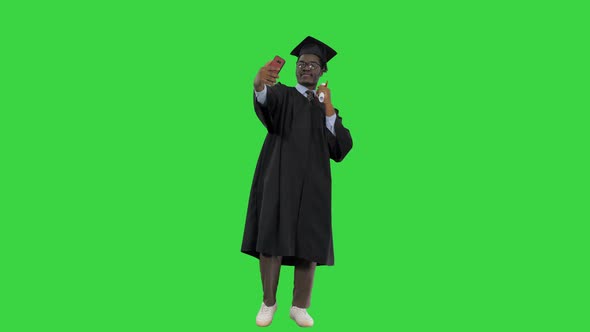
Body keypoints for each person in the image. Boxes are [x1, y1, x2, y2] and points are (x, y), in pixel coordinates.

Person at [241, 36, 353, 327]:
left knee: (309, 242)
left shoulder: (327, 110)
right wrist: (259, 84)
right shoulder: (285, 96)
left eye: (313, 65)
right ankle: (269, 301)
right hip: (278, 179)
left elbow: (340, 148)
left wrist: (328, 108)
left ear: (323, 71)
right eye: (302, 63)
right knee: (272, 235)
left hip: (314, 185)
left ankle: (299, 306)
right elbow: (266, 100)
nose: (306, 68)